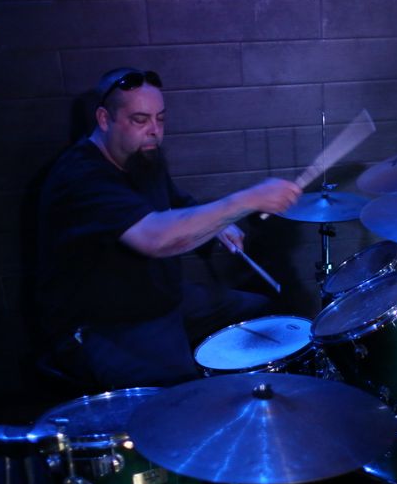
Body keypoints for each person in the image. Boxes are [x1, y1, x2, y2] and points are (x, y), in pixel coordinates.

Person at [36, 67, 301, 390]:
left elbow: (176, 201)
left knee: (265, 315)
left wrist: (219, 225)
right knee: (181, 396)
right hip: (108, 323)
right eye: (140, 120)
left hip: (162, 298)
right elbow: (155, 238)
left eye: (160, 119)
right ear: (104, 119)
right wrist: (247, 200)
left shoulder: (141, 155)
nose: (154, 131)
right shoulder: (81, 177)